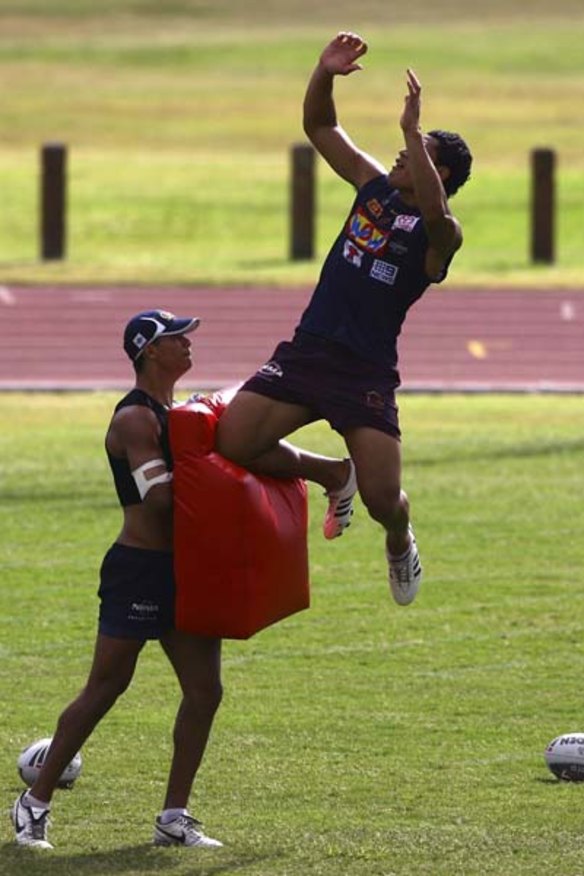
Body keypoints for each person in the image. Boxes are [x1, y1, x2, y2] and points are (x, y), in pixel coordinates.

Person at [215, 31, 472, 606]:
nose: (404, 152)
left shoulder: (443, 235)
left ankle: (400, 540)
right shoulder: (372, 187)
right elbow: (321, 128)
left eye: (421, 151)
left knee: (385, 500)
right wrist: (324, 72)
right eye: (407, 145)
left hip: (364, 374)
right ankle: (333, 474)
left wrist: (414, 130)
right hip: (309, 353)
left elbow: (435, 214)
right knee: (232, 441)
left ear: (444, 173)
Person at [12, 310, 226, 850]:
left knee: (205, 691)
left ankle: (173, 818)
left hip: (184, 569)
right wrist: (223, 489)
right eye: (177, 338)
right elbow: (158, 501)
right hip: (140, 569)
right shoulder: (135, 419)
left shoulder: (179, 412)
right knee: (107, 686)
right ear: (150, 351)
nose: (187, 344)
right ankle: (34, 803)